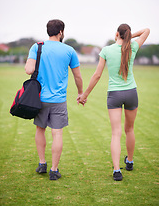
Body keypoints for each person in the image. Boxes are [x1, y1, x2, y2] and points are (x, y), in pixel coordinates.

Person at [77, 24, 150, 181]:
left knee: (116, 133)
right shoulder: (133, 46)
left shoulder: (106, 50)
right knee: (129, 129)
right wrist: (129, 37)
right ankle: (129, 162)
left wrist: (84, 95)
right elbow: (146, 30)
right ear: (128, 35)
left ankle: (117, 171)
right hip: (131, 93)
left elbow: (97, 75)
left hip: (114, 95)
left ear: (117, 33)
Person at [25, 19, 83, 180]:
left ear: (48, 31)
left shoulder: (37, 46)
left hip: (40, 98)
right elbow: (77, 76)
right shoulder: (69, 50)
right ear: (61, 32)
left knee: (40, 129)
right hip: (58, 100)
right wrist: (80, 92)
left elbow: (28, 69)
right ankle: (54, 170)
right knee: (57, 134)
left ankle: (42, 163)